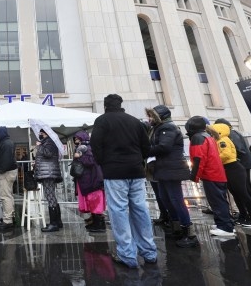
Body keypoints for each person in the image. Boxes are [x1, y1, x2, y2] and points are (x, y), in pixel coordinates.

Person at [90, 94, 157, 268]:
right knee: (140, 208)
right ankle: (149, 252)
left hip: (114, 171)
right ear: (121, 105)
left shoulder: (102, 121)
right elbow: (146, 147)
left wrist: (103, 162)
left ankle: (127, 255)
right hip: (135, 170)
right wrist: (138, 160)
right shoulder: (135, 122)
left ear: (105, 106)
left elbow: (95, 145)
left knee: (118, 210)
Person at [145, 105, 198, 247]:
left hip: (171, 169)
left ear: (159, 116)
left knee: (176, 199)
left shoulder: (167, 128)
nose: (149, 119)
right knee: (165, 198)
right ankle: (177, 227)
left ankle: (189, 232)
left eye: (151, 116)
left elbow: (164, 147)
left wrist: (144, 151)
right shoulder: (159, 128)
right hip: (164, 169)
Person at [185, 116, 234, 237]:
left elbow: (198, 159)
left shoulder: (198, 138)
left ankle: (225, 227)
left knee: (217, 202)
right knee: (219, 200)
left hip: (211, 174)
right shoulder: (207, 136)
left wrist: (194, 176)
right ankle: (224, 224)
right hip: (217, 173)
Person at [210, 123, 251, 227]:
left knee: (242, 194)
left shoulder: (222, 141)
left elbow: (226, 154)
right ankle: (243, 216)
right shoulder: (220, 141)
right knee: (236, 194)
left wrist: (214, 159)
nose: (211, 134)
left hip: (233, 169)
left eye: (212, 132)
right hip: (230, 169)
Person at [72, 130, 106, 233]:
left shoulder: (88, 148)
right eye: (75, 139)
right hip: (88, 178)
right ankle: (95, 222)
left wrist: (80, 157)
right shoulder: (84, 147)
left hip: (92, 179)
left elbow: (91, 161)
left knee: (95, 201)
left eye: (77, 138)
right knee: (91, 201)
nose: (76, 140)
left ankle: (99, 224)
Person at [34, 128, 64, 232]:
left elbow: (48, 154)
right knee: (51, 196)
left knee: (50, 196)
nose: (40, 135)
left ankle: (54, 224)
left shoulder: (49, 142)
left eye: (41, 133)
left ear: (46, 133)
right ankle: (57, 221)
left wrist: (40, 146)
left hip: (48, 174)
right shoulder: (47, 142)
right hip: (47, 172)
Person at [0, 126, 18, 231]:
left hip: (5, 173)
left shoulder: (6, 144)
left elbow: (6, 161)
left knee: (5, 196)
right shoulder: (8, 143)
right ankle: (10, 217)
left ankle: (8, 221)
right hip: (8, 172)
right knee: (9, 195)